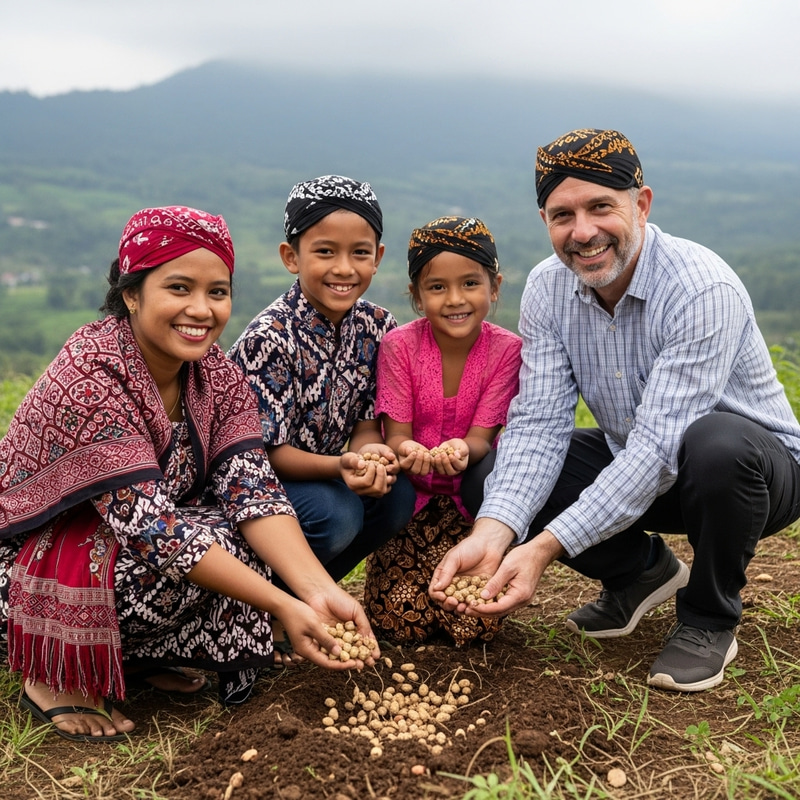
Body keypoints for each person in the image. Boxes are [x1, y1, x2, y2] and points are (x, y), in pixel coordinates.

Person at [430, 128, 800, 692]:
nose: (583, 232)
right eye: (563, 215)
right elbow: (539, 425)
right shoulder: (548, 288)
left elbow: (660, 449)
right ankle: (640, 574)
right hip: (641, 464)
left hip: (749, 478)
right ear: (544, 221)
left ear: (641, 205)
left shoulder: (700, 289)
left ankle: (708, 618)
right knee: (491, 472)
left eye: (601, 207)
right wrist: (494, 532)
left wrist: (543, 549)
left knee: (715, 442)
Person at [0, 206, 378, 743]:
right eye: (179, 288)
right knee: (183, 556)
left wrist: (316, 592)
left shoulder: (213, 372)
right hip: (28, 568)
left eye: (217, 292)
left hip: (120, 543)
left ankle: (136, 656)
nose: (201, 310)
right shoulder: (90, 372)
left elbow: (254, 489)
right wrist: (281, 604)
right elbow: (153, 531)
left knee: (244, 536)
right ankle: (54, 672)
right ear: (132, 294)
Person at [228, 175, 416, 660]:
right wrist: (340, 467)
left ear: (378, 256)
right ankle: (261, 612)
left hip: (329, 476)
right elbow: (265, 454)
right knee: (338, 513)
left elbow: (365, 426)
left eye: (360, 253)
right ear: (291, 257)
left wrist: (370, 457)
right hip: (261, 490)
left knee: (397, 496)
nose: (344, 268)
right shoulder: (270, 338)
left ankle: (307, 602)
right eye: (325, 252)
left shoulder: (377, 326)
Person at [363, 216, 522, 645]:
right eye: (437, 287)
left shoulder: (507, 350)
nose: (455, 299)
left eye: (470, 283)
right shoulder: (400, 346)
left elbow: (482, 439)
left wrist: (462, 450)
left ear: (494, 287)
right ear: (417, 295)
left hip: (474, 507)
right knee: (400, 625)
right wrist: (408, 450)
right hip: (409, 505)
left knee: (474, 624)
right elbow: (396, 435)